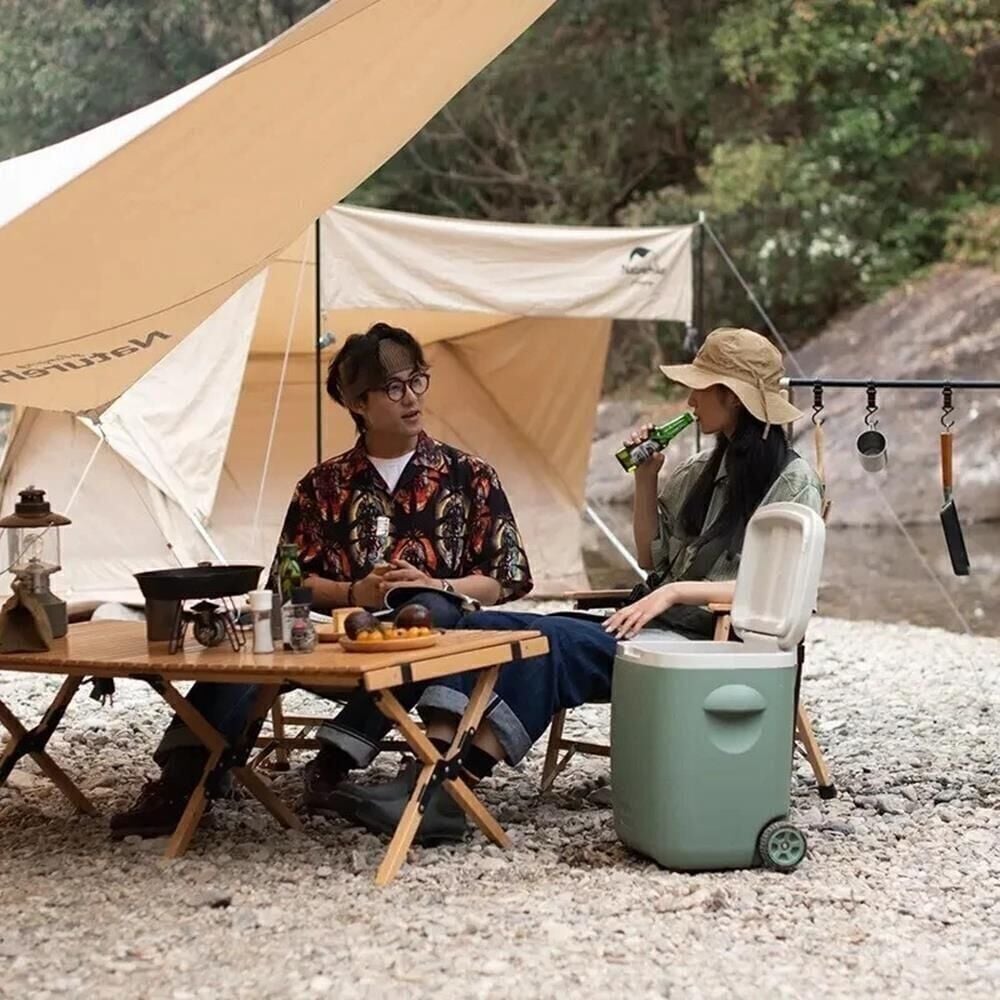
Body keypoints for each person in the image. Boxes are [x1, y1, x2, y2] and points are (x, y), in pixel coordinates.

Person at [337, 327, 825, 842]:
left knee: (548, 644)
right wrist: (646, 477)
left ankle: (448, 796)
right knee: (481, 626)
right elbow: (650, 557)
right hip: (653, 628)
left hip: (706, 645)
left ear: (733, 397)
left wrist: (676, 592)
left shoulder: (792, 483)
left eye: (700, 389)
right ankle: (425, 775)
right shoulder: (703, 469)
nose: (689, 401)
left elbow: (782, 593)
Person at [110, 322, 531, 839]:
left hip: (435, 646)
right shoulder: (323, 485)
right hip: (334, 640)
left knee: (430, 608)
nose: (411, 397)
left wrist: (439, 585)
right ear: (357, 403)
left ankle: (333, 761)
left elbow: (505, 577)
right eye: (393, 387)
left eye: (417, 380)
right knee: (259, 634)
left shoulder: (469, 475)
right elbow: (287, 583)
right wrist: (355, 593)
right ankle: (183, 779)